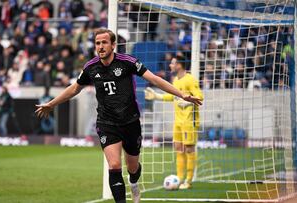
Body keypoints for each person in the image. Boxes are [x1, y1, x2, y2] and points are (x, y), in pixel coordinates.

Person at [35, 29, 202, 203]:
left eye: (104, 42)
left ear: (113, 45)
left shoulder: (127, 62)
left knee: (132, 167)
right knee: (114, 165)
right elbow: (74, 89)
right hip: (107, 122)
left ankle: (134, 183)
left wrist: (181, 95)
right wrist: (51, 104)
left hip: (130, 122)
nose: (100, 46)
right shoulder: (90, 67)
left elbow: (154, 79)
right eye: (98, 43)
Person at [144, 56, 204, 190]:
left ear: (180, 65)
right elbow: (173, 96)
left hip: (189, 121)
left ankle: (188, 180)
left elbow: (199, 96)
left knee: (189, 149)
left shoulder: (190, 79)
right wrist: (157, 96)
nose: (170, 65)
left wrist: (187, 101)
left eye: (172, 63)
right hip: (178, 121)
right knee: (178, 149)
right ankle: (179, 178)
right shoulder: (175, 80)